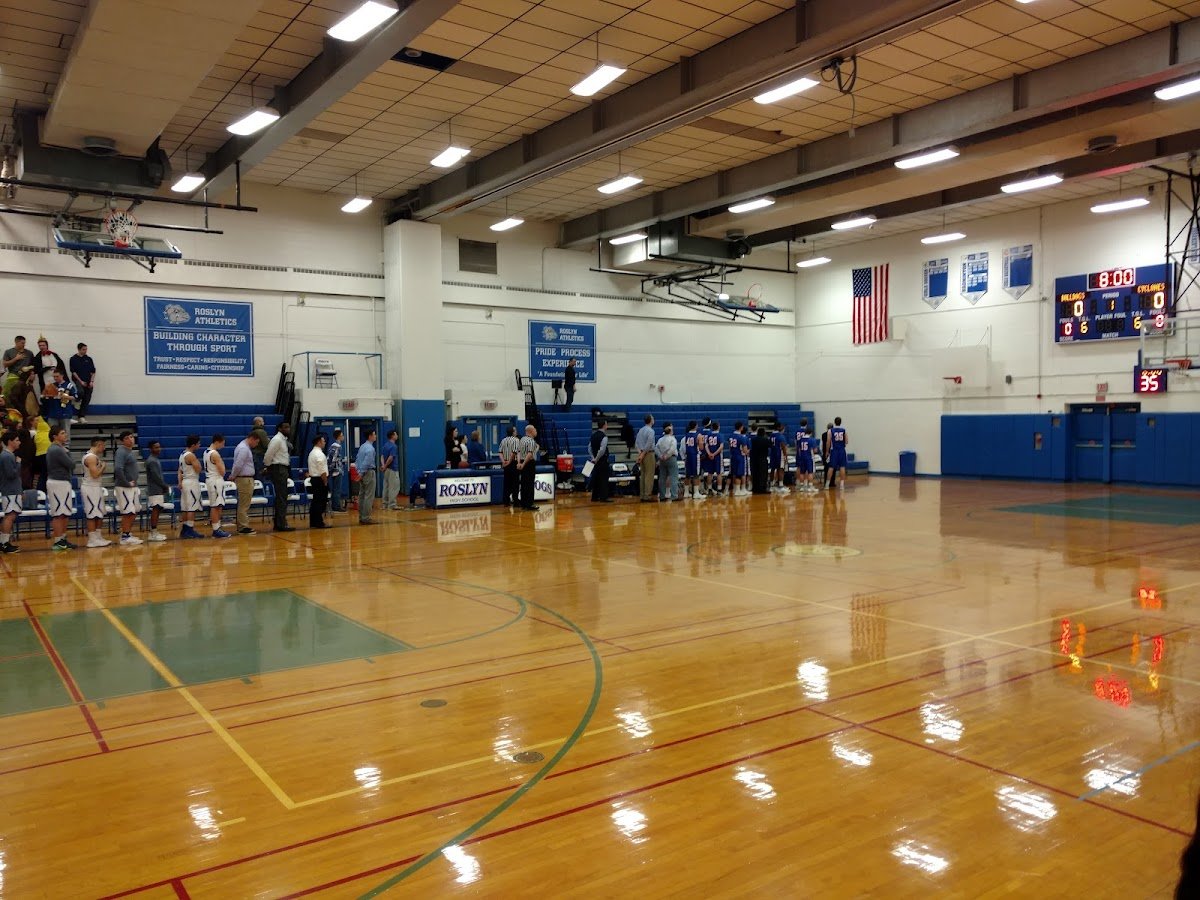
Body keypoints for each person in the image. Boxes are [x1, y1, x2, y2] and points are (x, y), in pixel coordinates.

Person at [46, 426, 77, 551]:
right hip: (57, 482)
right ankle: (58, 540)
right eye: (62, 433)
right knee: (59, 513)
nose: (65, 435)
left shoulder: (58, 449)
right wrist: (67, 452)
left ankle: (62, 539)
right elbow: (72, 464)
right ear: (55, 436)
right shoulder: (57, 450)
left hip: (62, 482)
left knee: (64, 512)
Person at [113, 430, 143, 546]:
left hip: (132, 487)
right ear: (122, 441)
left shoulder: (129, 451)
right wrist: (126, 483)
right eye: (127, 438)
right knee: (127, 512)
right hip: (124, 487)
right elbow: (118, 469)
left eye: (132, 436)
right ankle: (125, 537)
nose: (131, 439)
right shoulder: (121, 451)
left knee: (134, 510)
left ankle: (127, 533)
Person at [81, 436, 111, 549]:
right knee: (92, 513)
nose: (104, 448)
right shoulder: (91, 458)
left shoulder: (93, 456)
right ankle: (92, 539)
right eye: (103, 445)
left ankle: (98, 537)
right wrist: (103, 467)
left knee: (99, 512)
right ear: (99, 445)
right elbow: (94, 475)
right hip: (90, 487)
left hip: (96, 486)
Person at [264, 423, 293, 532]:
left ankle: (280, 522)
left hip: (283, 468)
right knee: (281, 497)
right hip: (278, 468)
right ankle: (280, 524)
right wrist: (267, 466)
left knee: (282, 496)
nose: (288, 429)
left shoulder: (283, 440)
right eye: (285, 427)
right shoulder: (277, 439)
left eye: (288, 427)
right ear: (279, 428)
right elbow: (268, 454)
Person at [178, 435, 206, 540]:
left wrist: (179, 482)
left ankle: (185, 529)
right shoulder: (191, 456)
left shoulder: (182, 454)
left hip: (185, 482)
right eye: (198, 443)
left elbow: (179, 471)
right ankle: (190, 529)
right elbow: (199, 469)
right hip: (191, 482)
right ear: (193, 445)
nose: (199, 445)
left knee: (185, 507)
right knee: (192, 507)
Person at [230, 432, 259, 535]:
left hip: (245, 478)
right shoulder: (244, 449)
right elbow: (238, 464)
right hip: (244, 479)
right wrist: (233, 475)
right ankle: (243, 527)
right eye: (257, 442)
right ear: (252, 439)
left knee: (244, 503)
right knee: (244, 504)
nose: (256, 445)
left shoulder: (243, 447)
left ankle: (241, 525)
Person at [205, 434, 231, 538]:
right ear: (217, 442)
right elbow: (222, 471)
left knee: (217, 505)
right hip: (215, 480)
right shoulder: (215, 454)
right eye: (222, 443)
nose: (223, 446)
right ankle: (216, 529)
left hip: (211, 480)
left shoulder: (206, 452)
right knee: (215, 506)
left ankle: (217, 527)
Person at [0, 430, 22, 554]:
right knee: (10, 516)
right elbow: (11, 474)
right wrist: (18, 464)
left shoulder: (6, 455)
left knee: (10, 515)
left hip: (12, 490)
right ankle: (4, 543)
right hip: (10, 491)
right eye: (17, 440)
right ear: (10, 442)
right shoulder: (7, 456)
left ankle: (3, 542)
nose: (19, 442)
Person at [143, 440, 169, 542]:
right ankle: (153, 533)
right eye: (156, 447)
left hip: (157, 489)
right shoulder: (152, 461)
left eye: (159, 447)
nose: (158, 449)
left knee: (157, 510)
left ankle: (154, 531)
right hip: (155, 489)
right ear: (151, 449)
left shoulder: (155, 459)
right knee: (156, 509)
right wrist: (164, 485)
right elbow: (156, 477)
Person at [43, 370, 78, 437]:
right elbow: (44, 397)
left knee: (65, 431)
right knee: (52, 432)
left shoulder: (69, 385)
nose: (55, 378)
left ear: (62, 376)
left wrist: (65, 396)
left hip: (65, 412)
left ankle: (66, 446)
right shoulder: (51, 385)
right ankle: (54, 445)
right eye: (54, 376)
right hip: (53, 413)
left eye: (57, 376)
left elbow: (75, 397)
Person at [68, 342, 96, 423]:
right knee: (80, 392)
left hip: (88, 381)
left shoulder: (89, 359)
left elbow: (93, 371)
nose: (85, 351)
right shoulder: (73, 359)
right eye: (83, 349)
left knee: (87, 399)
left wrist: (91, 381)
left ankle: (81, 416)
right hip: (78, 380)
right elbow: (73, 372)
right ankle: (77, 400)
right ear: (79, 349)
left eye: (86, 349)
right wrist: (80, 381)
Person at [308, 433, 330, 528]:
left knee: (315, 501)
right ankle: (319, 522)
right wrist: (325, 481)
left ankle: (313, 521)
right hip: (319, 479)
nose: (324, 442)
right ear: (319, 442)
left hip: (314, 479)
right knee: (320, 501)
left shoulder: (312, 453)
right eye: (323, 441)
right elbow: (322, 470)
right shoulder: (319, 454)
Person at [356, 428, 377, 524]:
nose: (375, 436)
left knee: (362, 495)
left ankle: (361, 516)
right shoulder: (370, 449)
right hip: (368, 472)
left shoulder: (362, 447)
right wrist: (362, 472)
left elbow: (357, 460)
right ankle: (366, 517)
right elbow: (367, 462)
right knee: (369, 496)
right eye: (374, 434)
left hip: (362, 472)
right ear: (370, 436)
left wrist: (359, 472)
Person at [516, 424, 540, 510]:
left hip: (522, 461)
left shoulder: (522, 439)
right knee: (529, 484)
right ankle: (529, 504)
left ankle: (523, 503)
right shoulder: (531, 441)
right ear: (531, 431)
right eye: (535, 430)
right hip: (529, 463)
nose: (536, 431)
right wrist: (524, 464)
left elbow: (518, 452)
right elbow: (530, 454)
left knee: (523, 483)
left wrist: (519, 463)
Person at [589, 418, 612, 503]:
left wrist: (593, 458)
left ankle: (594, 497)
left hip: (595, 461)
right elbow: (602, 450)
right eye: (606, 424)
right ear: (604, 425)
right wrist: (597, 458)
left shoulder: (593, 435)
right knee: (603, 479)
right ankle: (603, 497)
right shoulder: (604, 437)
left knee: (596, 478)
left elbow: (589, 448)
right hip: (602, 461)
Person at [655, 422, 679, 502]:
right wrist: (667, 455)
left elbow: (656, 448)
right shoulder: (672, 439)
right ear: (670, 431)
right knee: (673, 477)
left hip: (662, 460)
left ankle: (662, 495)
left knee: (662, 477)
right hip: (671, 458)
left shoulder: (660, 439)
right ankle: (674, 495)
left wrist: (661, 456)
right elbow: (672, 449)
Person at [635, 414, 656, 502]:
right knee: (649, 475)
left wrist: (640, 453)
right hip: (648, 453)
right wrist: (643, 454)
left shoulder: (640, 430)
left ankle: (642, 495)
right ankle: (647, 495)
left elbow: (636, 443)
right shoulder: (651, 431)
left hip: (641, 453)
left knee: (643, 475)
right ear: (651, 420)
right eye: (653, 418)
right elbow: (649, 443)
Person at [499, 425, 520, 507]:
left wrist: (503, 461)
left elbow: (500, 452)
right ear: (513, 432)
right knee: (515, 483)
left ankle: (506, 501)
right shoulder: (516, 440)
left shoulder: (503, 440)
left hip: (506, 464)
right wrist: (509, 462)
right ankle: (515, 501)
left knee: (507, 483)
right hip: (513, 463)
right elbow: (514, 452)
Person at [795, 419, 816, 494]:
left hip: (801, 456)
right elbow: (815, 450)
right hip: (808, 457)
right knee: (810, 471)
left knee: (801, 471)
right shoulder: (811, 439)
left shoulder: (800, 438)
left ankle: (801, 485)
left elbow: (798, 447)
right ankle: (810, 486)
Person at [728, 421, 749, 497]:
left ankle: (734, 489)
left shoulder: (731, 436)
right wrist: (748, 452)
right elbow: (745, 450)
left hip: (733, 456)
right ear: (741, 427)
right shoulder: (741, 437)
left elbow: (730, 447)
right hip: (740, 457)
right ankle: (737, 490)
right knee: (739, 474)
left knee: (734, 473)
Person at [380, 429, 400, 510]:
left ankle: (385, 504)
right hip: (392, 469)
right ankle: (392, 504)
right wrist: (385, 466)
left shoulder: (385, 445)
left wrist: (383, 465)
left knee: (386, 487)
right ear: (392, 436)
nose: (397, 436)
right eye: (396, 434)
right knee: (394, 487)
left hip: (386, 470)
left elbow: (381, 456)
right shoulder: (393, 446)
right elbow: (391, 458)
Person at [681, 420, 700, 500]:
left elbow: (681, 450)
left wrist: (684, 458)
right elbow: (701, 447)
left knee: (687, 475)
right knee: (696, 474)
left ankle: (686, 492)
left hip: (687, 457)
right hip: (694, 456)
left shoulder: (684, 438)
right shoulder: (697, 435)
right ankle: (696, 493)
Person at [829, 416, 849, 491]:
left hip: (834, 450)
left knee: (831, 467)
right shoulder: (844, 430)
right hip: (841, 450)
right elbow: (846, 441)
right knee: (842, 467)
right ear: (840, 422)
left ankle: (827, 485)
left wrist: (827, 451)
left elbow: (828, 442)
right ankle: (842, 485)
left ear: (834, 422)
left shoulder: (831, 430)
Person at [704, 421, 724, 497]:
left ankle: (709, 490)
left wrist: (709, 453)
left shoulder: (709, 435)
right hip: (717, 456)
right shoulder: (720, 435)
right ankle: (719, 490)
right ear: (718, 427)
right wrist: (714, 454)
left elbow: (706, 445)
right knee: (719, 473)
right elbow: (721, 446)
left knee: (710, 473)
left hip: (710, 456)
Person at [750, 426, 771, 494]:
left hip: (754, 459)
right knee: (763, 474)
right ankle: (762, 488)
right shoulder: (765, 439)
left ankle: (755, 488)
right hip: (762, 459)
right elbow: (771, 446)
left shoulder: (753, 439)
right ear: (764, 433)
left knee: (755, 474)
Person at [328, 428, 346, 512]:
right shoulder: (338, 446)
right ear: (339, 437)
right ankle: (336, 506)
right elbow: (334, 458)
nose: (343, 437)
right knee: (337, 489)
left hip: (334, 469)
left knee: (334, 489)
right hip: (337, 470)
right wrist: (332, 468)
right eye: (342, 435)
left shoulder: (332, 445)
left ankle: (334, 505)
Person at [770, 422, 788, 491]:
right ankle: (780, 485)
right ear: (778, 428)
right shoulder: (780, 436)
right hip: (779, 454)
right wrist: (785, 456)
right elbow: (783, 447)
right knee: (780, 469)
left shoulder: (771, 435)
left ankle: (771, 484)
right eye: (782, 427)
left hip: (773, 454)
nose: (783, 428)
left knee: (773, 469)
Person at [820, 422, 834, 490]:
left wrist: (823, 452)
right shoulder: (834, 434)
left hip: (825, 453)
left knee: (826, 468)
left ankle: (826, 482)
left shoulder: (823, 434)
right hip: (833, 453)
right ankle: (832, 482)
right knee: (833, 468)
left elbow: (822, 444)